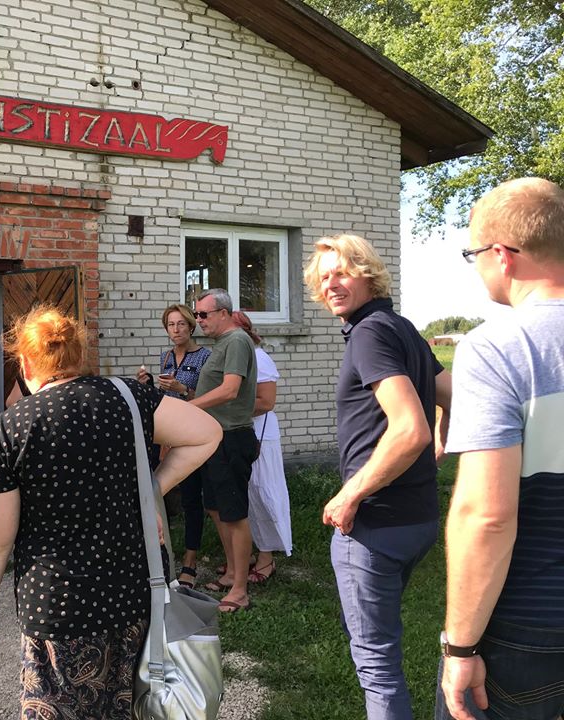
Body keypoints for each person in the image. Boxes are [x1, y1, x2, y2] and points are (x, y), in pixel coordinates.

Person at [0, 305, 222, 720]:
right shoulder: (128, 398)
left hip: (58, 605)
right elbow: (207, 433)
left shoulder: (13, 427)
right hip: (132, 593)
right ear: (78, 356)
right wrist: (150, 491)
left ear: (26, 363)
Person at [303, 234, 451, 720]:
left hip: (374, 525)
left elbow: (409, 430)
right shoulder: (401, 327)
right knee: (379, 645)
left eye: (342, 272)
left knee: (377, 665)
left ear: (368, 275)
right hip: (418, 520)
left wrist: (350, 494)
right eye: (324, 277)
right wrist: (441, 443)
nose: (331, 284)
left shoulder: (369, 333)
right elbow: (454, 395)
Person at [437, 178, 564, 720]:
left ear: (502, 255)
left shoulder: (500, 347)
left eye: (473, 255)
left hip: (530, 623)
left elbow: (486, 516)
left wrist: (461, 648)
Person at [188, 288, 260, 613]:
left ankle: (240, 590)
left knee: (234, 514)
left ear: (224, 313)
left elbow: (230, 390)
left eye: (203, 314)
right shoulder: (222, 343)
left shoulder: (237, 341)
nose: (199, 321)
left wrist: (188, 408)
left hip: (233, 437)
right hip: (216, 437)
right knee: (216, 509)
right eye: (196, 315)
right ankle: (232, 572)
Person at [137, 303, 211, 589]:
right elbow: (163, 398)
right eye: (171, 325)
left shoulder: (205, 356)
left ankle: (190, 561)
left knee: (191, 498)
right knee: (161, 494)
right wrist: (147, 385)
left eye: (181, 324)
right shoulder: (166, 356)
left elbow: (209, 397)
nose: (176, 330)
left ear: (191, 326)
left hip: (191, 435)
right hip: (166, 436)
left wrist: (184, 390)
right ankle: (162, 553)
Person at [231, 311, 291, 583]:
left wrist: (228, 406)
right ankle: (255, 550)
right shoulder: (236, 357)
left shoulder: (259, 358)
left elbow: (266, 402)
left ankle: (268, 557)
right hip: (240, 432)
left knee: (263, 492)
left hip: (260, 435)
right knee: (248, 496)